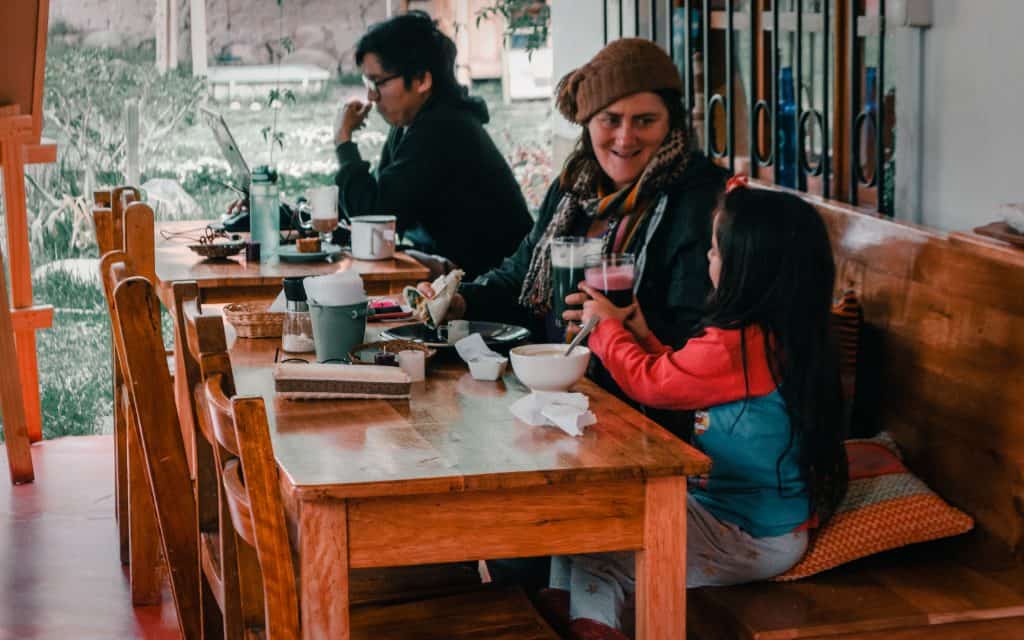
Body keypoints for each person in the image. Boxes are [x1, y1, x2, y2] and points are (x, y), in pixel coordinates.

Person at [543, 186, 850, 640]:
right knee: (578, 526)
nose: (708, 257)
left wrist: (607, 330)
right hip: (741, 518)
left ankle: (588, 624)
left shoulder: (738, 346)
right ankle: (562, 618)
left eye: (713, 248)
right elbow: (680, 373)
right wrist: (642, 335)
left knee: (596, 550)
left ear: (746, 269)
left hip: (745, 532)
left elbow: (650, 383)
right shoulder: (778, 334)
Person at [334, 11, 533, 279]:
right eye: (367, 82)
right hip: (463, 279)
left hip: (495, 292)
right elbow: (384, 206)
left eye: (377, 82)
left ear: (421, 81)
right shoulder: (412, 125)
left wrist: (343, 141)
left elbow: (375, 221)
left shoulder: (442, 129)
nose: (371, 96)